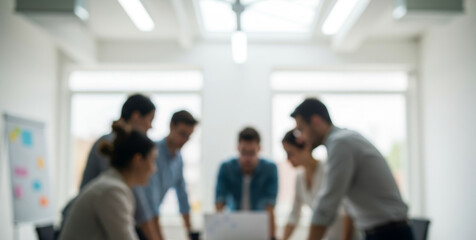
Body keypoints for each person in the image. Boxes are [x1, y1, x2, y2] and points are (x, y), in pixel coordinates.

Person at [290, 98, 412, 240]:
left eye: (301, 129)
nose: (301, 139)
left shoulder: (341, 143)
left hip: (389, 234)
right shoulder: (341, 141)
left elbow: (327, 204)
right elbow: (347, 206)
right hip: (380, 231)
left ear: (316, 121)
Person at [61, 94, 157, 238]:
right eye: (152, 161)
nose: (154, 169)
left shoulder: (114, 185)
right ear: (137, 160)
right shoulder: (113, 191)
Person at [281, 129, 358, 240]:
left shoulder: (328, 169)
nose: (287, 159)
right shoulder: (299, 178)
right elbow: (294, 215)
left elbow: (348, 211)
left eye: (290, 153)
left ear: (306, 147)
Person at [135, 110, 199, 240]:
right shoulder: (153, 153)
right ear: (171, 127)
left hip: (150, 218)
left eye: (189, 136)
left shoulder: (178, 159)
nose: (185, 140)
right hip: (138, 221)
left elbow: (182, 197)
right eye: (182, 134)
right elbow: (150, 204)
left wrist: (190, 232)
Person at [215, 127, 278, 240]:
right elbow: (219, 205)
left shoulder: (270, 169)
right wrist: (217, 234)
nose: (247, 158)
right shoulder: (226, 168)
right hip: (232, 227)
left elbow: (270, 208)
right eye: (244, 152)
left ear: (259, 149)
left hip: (258, 230)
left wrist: (272, 237)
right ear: (238, 148)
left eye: (251, 153)